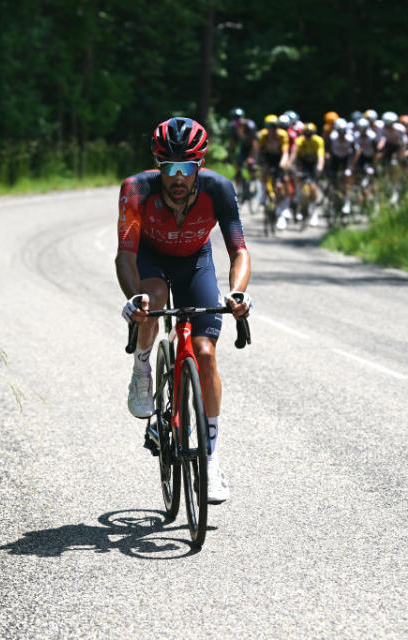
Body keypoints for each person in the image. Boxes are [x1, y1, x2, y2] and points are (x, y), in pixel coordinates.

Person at [116, 116, 252, 504]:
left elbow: (239, 250)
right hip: (150, 260)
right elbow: (125, 255)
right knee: (153, 297)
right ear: (158, 166)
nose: (178, 178)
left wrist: (238, 293)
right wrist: (133, 297)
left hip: (196, 261)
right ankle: (142, 368)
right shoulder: (136, 190)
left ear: (200, 167)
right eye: (169, 168)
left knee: (206, 353)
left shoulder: (219, 189)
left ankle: (210, 458)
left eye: (187, 168)